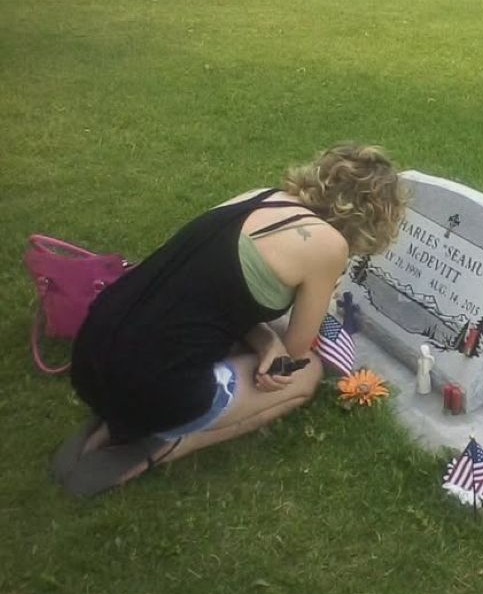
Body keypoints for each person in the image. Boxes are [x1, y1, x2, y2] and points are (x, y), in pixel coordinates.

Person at [53, 144, 406, 497]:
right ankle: (169, 441)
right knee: (308, 374)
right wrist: (325, 292)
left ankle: (117, 418)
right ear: (376, 219)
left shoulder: (262, 197)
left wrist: (266, 341)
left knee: (213, 342)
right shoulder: (329, 246)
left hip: (92, 351)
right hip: (158, 389)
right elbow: (296, 352)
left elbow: (216, 293)